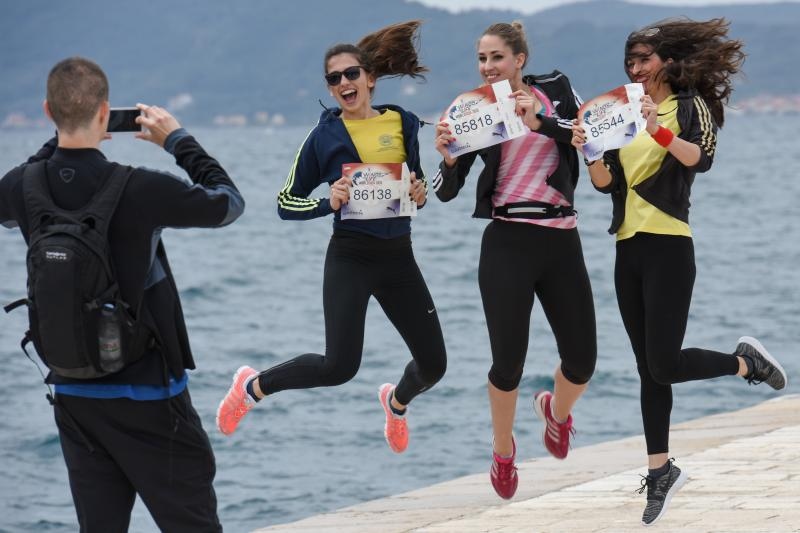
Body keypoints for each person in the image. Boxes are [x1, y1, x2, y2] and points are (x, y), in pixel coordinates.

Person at [0, 57, 244, 532]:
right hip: (150, 393)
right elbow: (228, 204)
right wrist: (177, 140)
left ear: (48, 112)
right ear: (106, 111)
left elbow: (23, 192)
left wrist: (59, 144)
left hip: (73, 391)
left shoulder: (21, 185)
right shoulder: (139, 187)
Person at [571, 18, 787, 526]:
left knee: (664, 363)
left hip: (669, 244)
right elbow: (606, 183)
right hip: (627, 248)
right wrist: (589, 149)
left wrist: (655, 127)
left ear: (666, 60)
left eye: (644, 58)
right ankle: (660, 469)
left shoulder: (690, 108)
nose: (636, 68)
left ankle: (744, 363)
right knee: (649, 367)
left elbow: (700, 158)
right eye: (630, 61)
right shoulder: (621, 109)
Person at [216, 20, 447, 455]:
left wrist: (420, 192)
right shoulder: (323, 136)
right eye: (333, 78)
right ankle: (252, 386)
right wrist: (329, 203)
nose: (343, 82)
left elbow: (415, 189)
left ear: (370, 79)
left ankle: (395, 403)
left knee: (434, 365)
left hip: (399, 257)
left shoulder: (403, 122)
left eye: (351, 74)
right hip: (351, 257)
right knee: (340, 366)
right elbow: (286, 201)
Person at [432, 22, 596, 499]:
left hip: (561, 238)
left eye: (497, 57)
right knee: (509, 364)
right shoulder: (472, 108)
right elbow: (446, 193)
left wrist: (539, 121)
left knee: (582, 362)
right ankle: (503, 452)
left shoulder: (557, 91)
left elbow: (585, 135)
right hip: (506, 241)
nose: (488, 67)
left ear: (520, 59)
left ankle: (556, 414)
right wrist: (447, 157)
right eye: (482, 59)